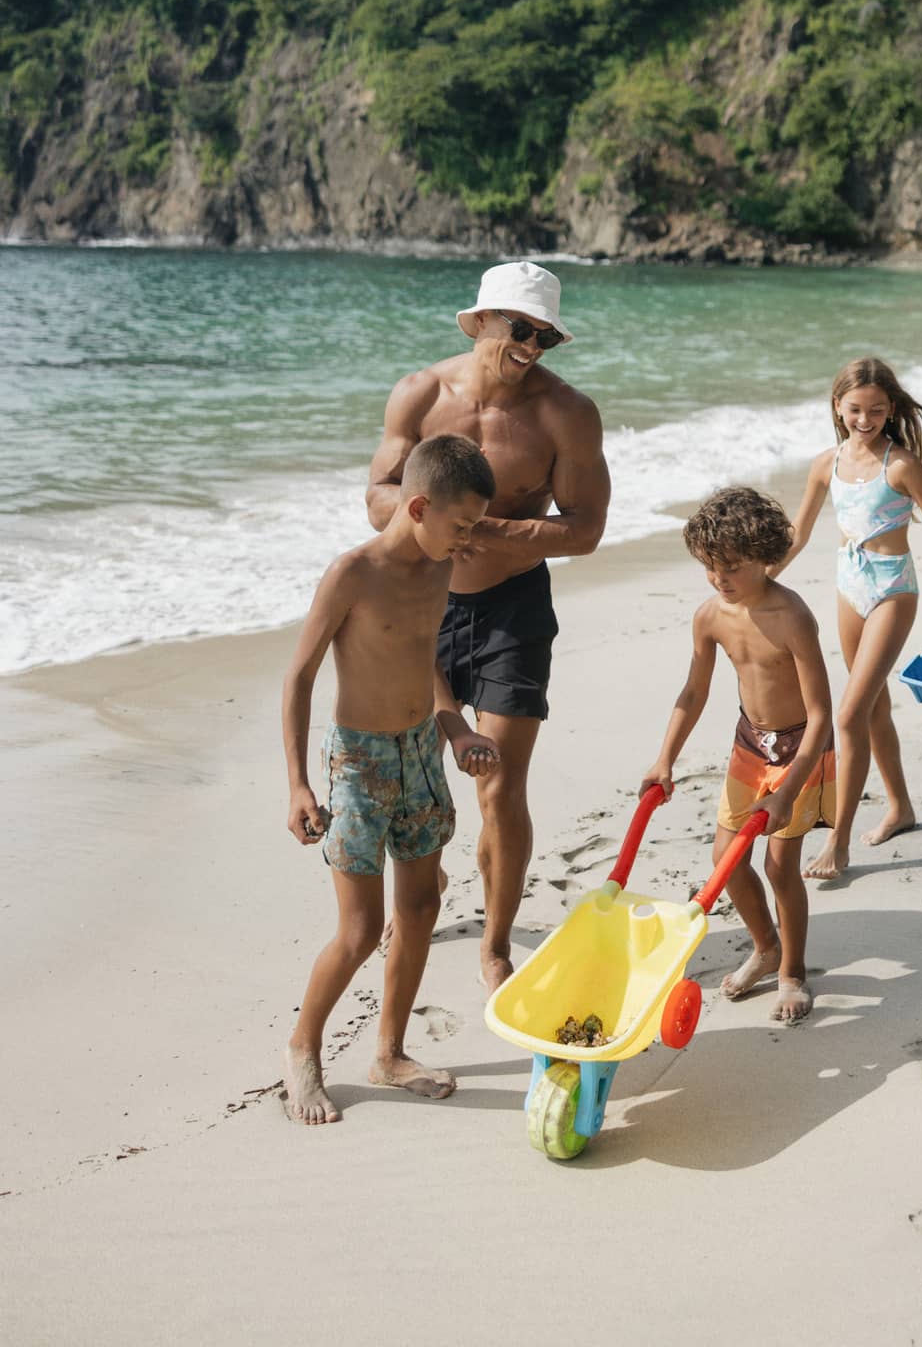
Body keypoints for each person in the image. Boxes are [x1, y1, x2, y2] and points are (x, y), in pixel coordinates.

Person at [366, 261, 610, 992]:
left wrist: (492, 529)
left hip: (512, 609)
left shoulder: (565, 414)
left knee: (498, 785)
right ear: (479, 321)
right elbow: (378, 492)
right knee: (417, 780)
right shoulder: (418, 393)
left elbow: (588, 529)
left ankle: (497, 941)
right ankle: (420, 895)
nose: (533, 344)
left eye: (546, 334)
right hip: (423, 603)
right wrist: (428, 523)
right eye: (520, 328)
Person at [280, 434, 503, 1125]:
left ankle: (390, 1052)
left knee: (420, 910)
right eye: (460, 524)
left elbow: (420, 659)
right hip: (359, 762)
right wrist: (297, 785)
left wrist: (456, 727)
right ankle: (302, 1050)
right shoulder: (353, 572)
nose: (468, 539)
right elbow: (299, 677)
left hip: (420, 755)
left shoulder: (440, 566)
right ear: (416, 505)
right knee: (359, 929)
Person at [639, 487, 835, 1024]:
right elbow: (693, 693)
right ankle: (765, 945)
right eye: (710, 567)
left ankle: (792, 972)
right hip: (751, 745)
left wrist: (790, 790)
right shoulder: (710, 616)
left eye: (732, 567)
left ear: (766, 558)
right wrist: (665, 759)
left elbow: (822, 713)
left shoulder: (792, 615)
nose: (720, 579)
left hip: (801, 748)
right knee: (724, 862)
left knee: (779, 866)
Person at [774, 355, 922, 881]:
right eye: (856, 409)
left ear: (891, 410)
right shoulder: (826, 464)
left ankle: (838, 842)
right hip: (849, 586)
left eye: (877, 411)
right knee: (874, 708)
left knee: (847, 715)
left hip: (892, 589)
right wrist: (765, 577)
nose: (865, 419)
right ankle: (901, 807)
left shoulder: (900, 464)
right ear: (838, 407)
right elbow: (799, 532)